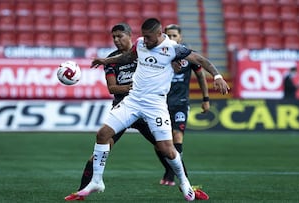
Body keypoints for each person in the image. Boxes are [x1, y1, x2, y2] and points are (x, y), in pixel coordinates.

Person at [67, 18, 229, 202]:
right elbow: (128, 57)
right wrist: (106, 60)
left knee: (167, 149)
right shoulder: (141, 43)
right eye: (143, 36)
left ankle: (185, 183)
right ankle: (95, 182)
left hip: (155, 105)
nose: (146, 40)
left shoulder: (173, 49)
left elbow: (200, 60)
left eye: (149, 37)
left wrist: (217, 76)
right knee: (102, 135)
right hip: (132, 101)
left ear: (160, 34)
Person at [157, 24, 210, 187]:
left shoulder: (188, 55)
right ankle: (169, 169)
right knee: (159, 145)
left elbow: (201, 76)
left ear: (180, 38)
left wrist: (206, 98)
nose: (172, 39)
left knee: (177, 136)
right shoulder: (159, 54)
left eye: (174, 36)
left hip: (180, 104)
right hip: (160, 104)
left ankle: (172, 174)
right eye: (169, 36)